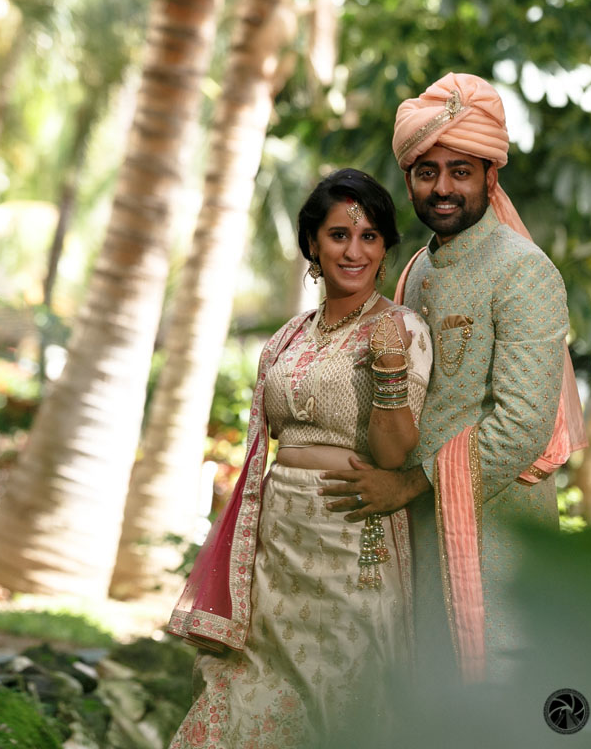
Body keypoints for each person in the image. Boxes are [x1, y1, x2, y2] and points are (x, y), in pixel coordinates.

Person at [318, 72, 587, 683]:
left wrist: (408, 485)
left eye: (460, 171)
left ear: (491, 176)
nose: (442, 188)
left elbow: (521, 424)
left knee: (495, 696)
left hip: (497, 538)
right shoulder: (416, 269)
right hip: (414, 530)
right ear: (410, 177)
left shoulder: (525, 273)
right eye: (426, 171)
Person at [166, 168, 433, 748]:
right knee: (241, 695)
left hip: (351, 543)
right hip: (277, 548)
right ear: (312, 243)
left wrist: (389, 371)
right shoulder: (287, 337)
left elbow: (393, 452)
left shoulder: (401, 328)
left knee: (337, 696)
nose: (353, 250)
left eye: (369, 236)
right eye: (339, 234)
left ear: (386, 245)